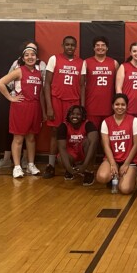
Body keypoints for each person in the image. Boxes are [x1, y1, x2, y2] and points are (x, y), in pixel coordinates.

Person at [0, 41, 47, 170]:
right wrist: (11, 98)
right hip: (21, 107)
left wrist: (43, 111)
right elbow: (0, 83)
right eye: (27, 55)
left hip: (35, 107)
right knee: (18, 138)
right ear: (23, 58)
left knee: (31, 138)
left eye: (32, 54)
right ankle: (17, 166)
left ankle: (31, 164)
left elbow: (42, 93)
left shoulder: (39, 72)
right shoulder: (19, 71)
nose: (30, 57)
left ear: (36, 57)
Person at [43, 35, 85, 178]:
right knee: (55, 132)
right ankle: (51, 165)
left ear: (76, 47)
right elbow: (47, 83)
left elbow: (82, 86)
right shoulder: (54, 59)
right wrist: (49, 106)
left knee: (72, 134)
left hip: (73, 103)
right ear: (63, 45)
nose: (70, 47)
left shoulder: (81, 62)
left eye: (72, 45)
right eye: (67, 44)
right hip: (57, 101)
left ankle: (70, 164)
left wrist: (82, 107)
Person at [96, 93, 137, 194]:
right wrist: (112, 164)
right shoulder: (106, 122)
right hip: (113, 159)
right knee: (101, 177)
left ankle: (134, 175)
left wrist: (126, 164)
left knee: (125, 189)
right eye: (117, 104)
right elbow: (106, 146)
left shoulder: (134, 121)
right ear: (112, 106)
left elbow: (136, 145)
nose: (120, 107)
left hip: (129, 160)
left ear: (127, 106)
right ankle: (115, 175)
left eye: (123, 104)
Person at [56, 105, 99, 185]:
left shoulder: (88, 124)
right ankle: (71, 169)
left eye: (78, 114)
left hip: (83, 152)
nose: (75, 116)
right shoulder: (63, 126)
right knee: (60, 158)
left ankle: (89, 171)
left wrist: (84, 165)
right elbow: (61, 148)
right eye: (72, 114)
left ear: (82, 116)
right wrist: (68, 168)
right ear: (68, 115)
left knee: (88, 142)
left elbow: (93, 144)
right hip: (72, 153)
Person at [84, 36, 119, 129]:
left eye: (103, 45)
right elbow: (81, 85)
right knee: (92, 136)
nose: (100, 47)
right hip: (91, 106)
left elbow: (118, 85)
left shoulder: (114, 63)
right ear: (94, 48)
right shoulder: (86, 62)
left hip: (108, 107)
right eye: (97, 45)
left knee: (107, 136)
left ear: (107, 48)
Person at [116, 42, 137, 132]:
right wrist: (121, 105)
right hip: (128, 107)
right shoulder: (124, 66)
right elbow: (118, 88)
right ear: (130, 53)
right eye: (134, 51)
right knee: (127, 133)